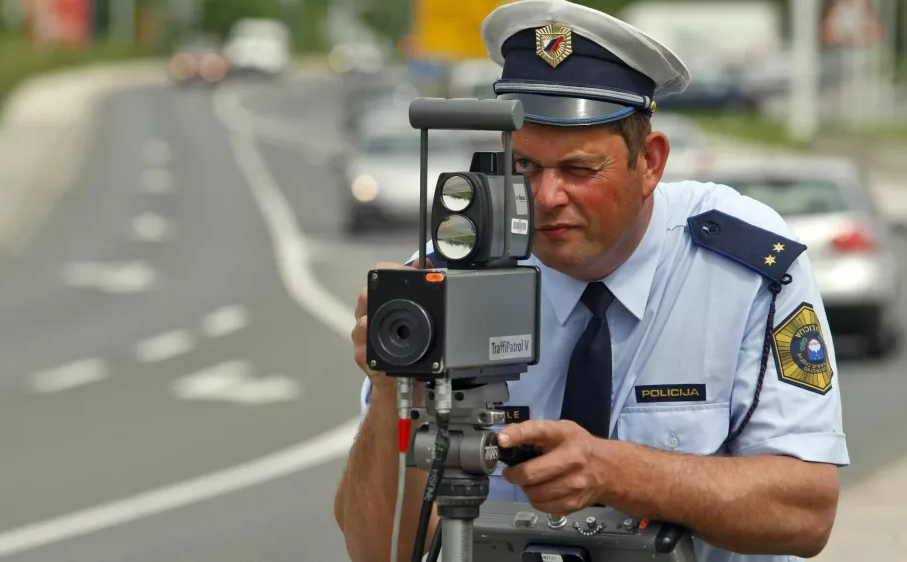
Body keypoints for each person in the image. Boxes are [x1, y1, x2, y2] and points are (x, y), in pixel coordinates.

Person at [333, 1, 848, 561]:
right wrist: (393, 387)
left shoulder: (741, 266)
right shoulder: (451, 275)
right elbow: (376, 548)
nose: (547, 198)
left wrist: (616, 472)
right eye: (524, 168)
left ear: (650, 163)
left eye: (579, 170)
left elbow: (806, 513)